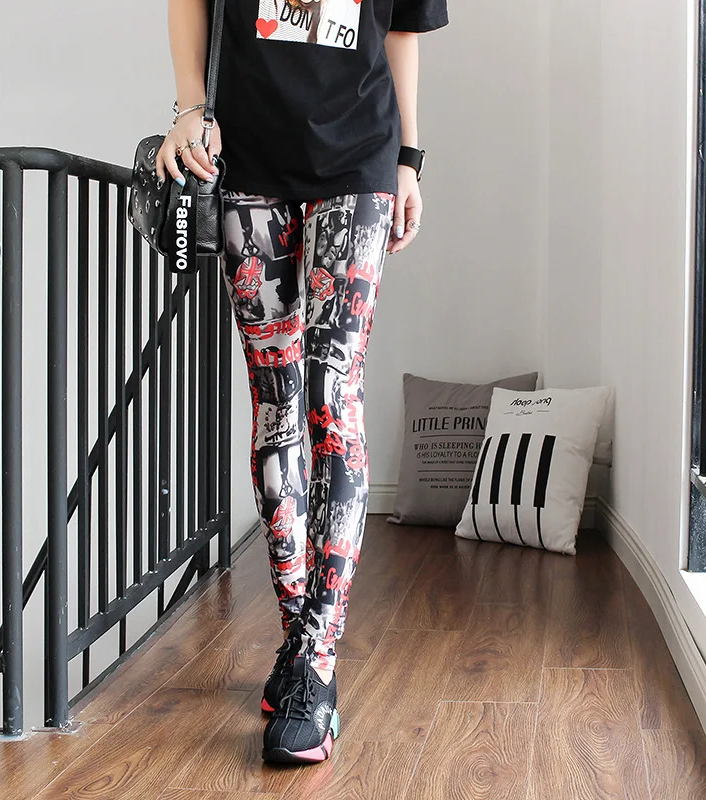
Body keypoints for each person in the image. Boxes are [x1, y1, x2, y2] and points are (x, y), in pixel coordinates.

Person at [157, 0, 448, 765]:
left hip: (358, 162)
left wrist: (410, 158)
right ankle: (300, 643)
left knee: (330, 392)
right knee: (277, 402)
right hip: (246, 161)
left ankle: (316, 660)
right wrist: (189, 107)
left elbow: (401, 27)